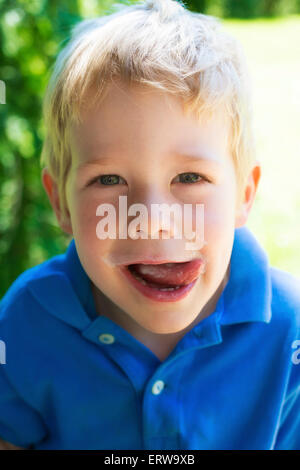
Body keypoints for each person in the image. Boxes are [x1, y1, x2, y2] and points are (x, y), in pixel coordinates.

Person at [0, 0, 299, 450]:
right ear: (60, 202)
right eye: (109, 180)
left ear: (243, 194)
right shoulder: (26, 320)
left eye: (190, 177)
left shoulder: (289, 334)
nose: (154, 222)